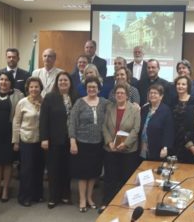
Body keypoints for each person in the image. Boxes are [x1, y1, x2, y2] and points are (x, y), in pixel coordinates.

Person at [69, 77, 109, 212]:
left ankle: (89, 197)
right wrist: (73, 141)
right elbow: (72, 123)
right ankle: (82, 199)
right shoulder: (79, 103)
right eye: (89, 87)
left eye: (94, 87)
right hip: (82, 144)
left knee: (93, 173)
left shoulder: (104, 103)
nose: (92, 89)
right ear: (86, 88)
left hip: (98, 144)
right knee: (83, 173)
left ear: (99, 89)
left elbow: (119, 106)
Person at [40, 72, 78, 209]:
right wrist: (44, 138)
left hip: (71, 139)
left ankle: (66, 195)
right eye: (60, 80)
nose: (63, 82)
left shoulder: (75, 97)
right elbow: (43, 119)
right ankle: (53, 197)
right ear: (57, 83)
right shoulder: (50, 97)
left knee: (67, 169)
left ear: (70, 82)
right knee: (54, 169)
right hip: (54, 140)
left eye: (65, 80)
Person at [101, 83, 140, 212]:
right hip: (111, 149)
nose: (119, 95)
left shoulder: (134, 109)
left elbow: (136, 129)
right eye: (117, 93)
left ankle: (124, 206)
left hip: (128, 150)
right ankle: (107, 203)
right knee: (110, 178)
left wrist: (126, 143)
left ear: (127, 95)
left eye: (122, 93)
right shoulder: (109, 107)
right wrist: (109, 142)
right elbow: (104, 126)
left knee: (125, 178)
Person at [0, 71, 24, 202]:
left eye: (6, 80)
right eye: (1, 79)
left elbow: (20, 118)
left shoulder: (18, 95)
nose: (3, 82)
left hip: (10, 134)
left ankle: (5, 189)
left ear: (11, 82)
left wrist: (17, 138)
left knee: (8, 163)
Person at [12, 77, 45, 207]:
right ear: (27, 88)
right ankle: (24, 196)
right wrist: (16, 141)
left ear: (40, 88)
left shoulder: (45, 102)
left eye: (36, 87)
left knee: (39, 169)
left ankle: (37, 195)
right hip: (26, 140)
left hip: (41, 141)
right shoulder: (22, 103)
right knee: (27, 170)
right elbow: (16, 122)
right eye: (31, 87)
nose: (34, 89)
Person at [139, 84, 174, 161]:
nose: (152, 95)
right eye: (151, 93)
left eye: (155, 93)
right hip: (142, 147)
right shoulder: (144, 109)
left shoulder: (166, 110)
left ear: (161, 96)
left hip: (157, 148)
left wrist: (165, 147)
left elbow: (168, 131)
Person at [170, 75, 194, 162]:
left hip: (189, 140)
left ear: (188, 86)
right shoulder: (172, 100)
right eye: (178, 84)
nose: (180, 86)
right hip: (174, 138)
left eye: (183, 84)